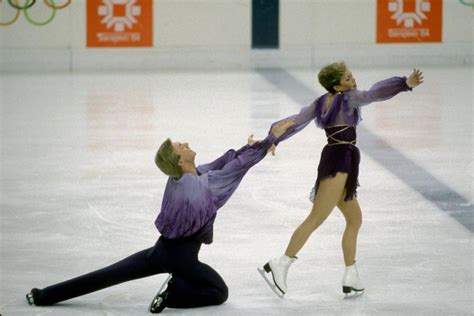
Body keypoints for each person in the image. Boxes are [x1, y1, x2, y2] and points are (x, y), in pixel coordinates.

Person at [25, 119, 295, 313]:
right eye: (181, 146)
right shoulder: (205, 187)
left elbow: (221, 163)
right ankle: (175, 292)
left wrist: (254, 145)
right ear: (180, 160)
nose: (186, 144)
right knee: (218, 292)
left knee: (104, 275)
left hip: (160, 250)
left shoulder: (181, 177)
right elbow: (235, 168)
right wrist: (270, 140)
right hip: (184, 260)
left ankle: (43, 296)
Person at [259, 62, 423, 298]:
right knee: (316, 218)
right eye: (348, 78)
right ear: (337, 86)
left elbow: (295, 121)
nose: (353, 80)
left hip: (338, 158)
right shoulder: (348, 98)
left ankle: (351, 276)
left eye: (351, 75)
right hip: (340, 161)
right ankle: (280, 263)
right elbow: (373, 94)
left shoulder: (320, 102)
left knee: (355, 219)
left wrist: (272, 138)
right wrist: (404, 84)